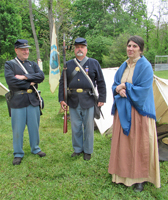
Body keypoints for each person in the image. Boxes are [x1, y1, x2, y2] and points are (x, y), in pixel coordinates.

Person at [108, 36, 160, 192]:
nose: (130, 48)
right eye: (129, 45)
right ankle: (122, 175)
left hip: (139, 113)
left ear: (141, 49)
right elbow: (115, 84)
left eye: (134, 46)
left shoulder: (145, 66)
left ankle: (140, 179)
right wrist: (118, 88)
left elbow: (143, 91)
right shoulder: (124, 65)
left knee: (139, 146)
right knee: (124, 145)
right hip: (123, 111)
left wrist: (126, 86)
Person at [59, 37, 106, 161]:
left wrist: (102, 97)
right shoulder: (68, 64)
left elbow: (101, 82)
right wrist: (62, 99)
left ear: (86, 49)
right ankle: (78, 149)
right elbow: (62, 83)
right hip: (73, 99)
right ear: (74, 49)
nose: (79, 49)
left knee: (89, 127)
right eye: (77, 47)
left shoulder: (94, 63)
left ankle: (88, 150)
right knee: (76, 126)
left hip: (89, 99)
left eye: (82, 47)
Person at [5, 39, 46, 165]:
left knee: (34, 127)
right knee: (18, 129)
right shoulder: (10, 64)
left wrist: (24, 77)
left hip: (32, 100)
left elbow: (41, 76)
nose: (26, 51)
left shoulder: (32, 64)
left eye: (27, 49)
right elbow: (12, 82)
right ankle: (18, 153)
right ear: (16, 50)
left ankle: (35, 148)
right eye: (23, 49)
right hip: (17, 101)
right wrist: (31, 81)